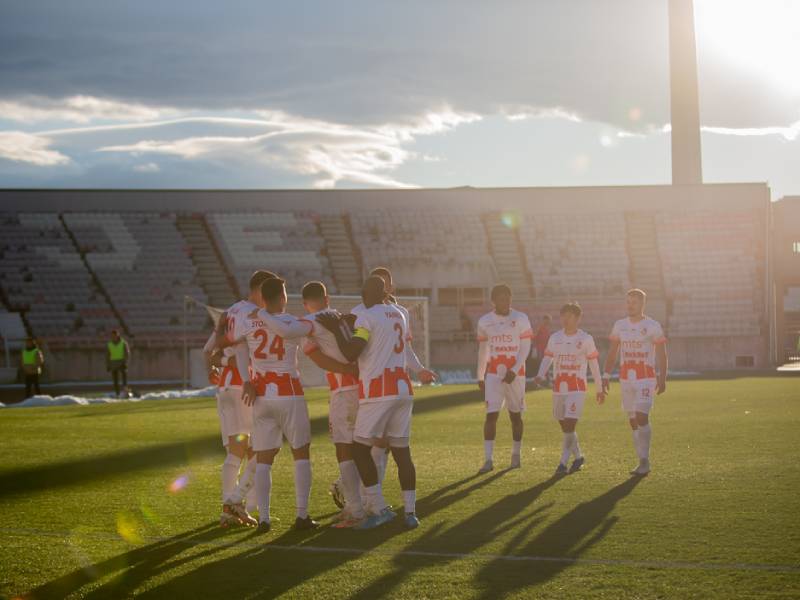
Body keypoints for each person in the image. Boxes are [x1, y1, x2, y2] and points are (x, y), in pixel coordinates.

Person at [316, 276, 419, 530]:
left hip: (379, 391)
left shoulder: (367, 316)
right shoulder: (399, 313)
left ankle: (378, 507)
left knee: (359, 449)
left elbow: (352, 351)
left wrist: (337, 330)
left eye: (365, 293)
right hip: (403, 388)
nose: (363, 297)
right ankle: (410, 513)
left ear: (373, 295)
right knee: (402, 452)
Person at [235, 277, 319, 533]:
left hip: (261, 394)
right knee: (301, 452)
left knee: (263, 459)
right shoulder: (291, 322)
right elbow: (307, 334)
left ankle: (265, 518)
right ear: (282, 297)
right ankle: (302, 516)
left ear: (262, 298)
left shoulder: (248, 322)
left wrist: (247, 380)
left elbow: (239, 349)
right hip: (289, 391)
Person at [350, 266, 436, 487]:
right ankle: (355, 489)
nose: (385, 288)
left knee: (382, 444)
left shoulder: (400, 312)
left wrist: (419, 369)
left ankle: (372, 498)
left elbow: (405, 348)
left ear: (390, 288)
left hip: (387, 386)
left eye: (387, 284)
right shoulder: (360, 312)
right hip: (373, 385)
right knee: (376, 443)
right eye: (381, 284)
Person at [212, 270, 279, 527]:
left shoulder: (229, 311)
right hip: (243, 387)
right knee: (254, 448)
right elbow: (242, 349)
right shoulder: (251, 314)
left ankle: (240, 506)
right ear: (260, 289)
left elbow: (212, 349)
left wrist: (219, 363)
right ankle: (232, 505)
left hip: (226, 387)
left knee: (241, 448)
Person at [296, 281, 366, 527]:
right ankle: (369, 501)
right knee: (369, 445)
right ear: (327, 298)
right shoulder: (342, 317)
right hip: (366, 389)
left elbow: (319, 359)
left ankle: (354, 507)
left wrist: (345, 369)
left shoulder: (310, 324)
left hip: (343, 390)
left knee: (344, 447)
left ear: (305, 303)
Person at [602, 289, 668, 476]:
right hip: (626, 379)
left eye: (634, 302)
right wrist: (606, 376)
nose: (630, 305)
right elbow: (613, 353)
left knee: (641, 417)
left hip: (645, 379)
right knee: (632, 420)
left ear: (642, 304)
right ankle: (641, 460)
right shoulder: (619, 325)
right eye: (628, 302)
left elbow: (662, 354)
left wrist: (662, 378)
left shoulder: (652, 326)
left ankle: (645, 460)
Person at [533, 303, 605, 475]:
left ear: (578, 318)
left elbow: (593, 364)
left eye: (570, 315)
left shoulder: (586, 339)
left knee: (570, 424)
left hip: (577, 388)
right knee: (566, 427)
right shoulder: (555, 337)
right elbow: (547, 357)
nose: (566, 319)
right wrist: (540, 374)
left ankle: (562, 464)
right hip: (559, 388)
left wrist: (599, 388)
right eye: (563, 315)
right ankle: (579, 457)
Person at [476, 284, 532, 473]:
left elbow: (525, 347)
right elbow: (483, 350)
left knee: (515, 416)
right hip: (493, 375)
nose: (505, 301)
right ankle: (488, 459)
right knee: (491, 415)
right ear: (494, 301)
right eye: (501, 298)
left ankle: (516, 455)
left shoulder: (521, 318)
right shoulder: (485, 322)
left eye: (508, 298)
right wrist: (480, 375)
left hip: (516, 375)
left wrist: (515, 369)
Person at [106, 330, 130, 398]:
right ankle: (117, 394)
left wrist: (125, 362)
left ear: (118, 335)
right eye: (112, 335)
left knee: (124, 379)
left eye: (115, 335)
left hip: (122, 362)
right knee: (115, 380)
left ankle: (126, 393)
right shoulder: (109, 344)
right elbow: (107, 356)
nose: (113, 337)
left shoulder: (123, 343)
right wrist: (108, 365)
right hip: (113, 364)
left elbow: (127, 353)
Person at [533, 314, 552, 383]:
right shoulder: (540, 328)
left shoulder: (547, 329)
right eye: (547, 320)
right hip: (541, 350)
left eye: (549, 321)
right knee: (543, 365)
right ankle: (544, 380)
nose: (548, 322)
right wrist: (535, 348)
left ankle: (547, 380)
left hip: (546, 350)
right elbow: (535, 338)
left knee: (546, 365)